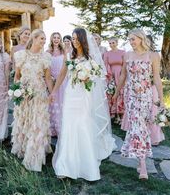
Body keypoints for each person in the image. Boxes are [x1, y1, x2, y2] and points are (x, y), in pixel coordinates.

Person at [50, 28, 115, 181]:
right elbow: (62, 74)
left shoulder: (90, 56)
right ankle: (65, 165)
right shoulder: (69, 55)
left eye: (77, 38)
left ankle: (86, 164)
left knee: (82, 125)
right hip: (70, 95)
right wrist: (53, 91)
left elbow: (98, 75)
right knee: (69, 126)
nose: (74, 41)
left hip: (84, 96)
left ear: (83, 40)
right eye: (73, 38)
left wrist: (88, 78)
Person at [113, 29, 164, 180]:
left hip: (146, 96)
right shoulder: (127, 55)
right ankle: (142, 165)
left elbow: (156, 77)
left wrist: (161, 98)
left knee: (142, 127)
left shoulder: (153, 55)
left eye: (133, 39)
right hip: (131, 97)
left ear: (141, 39)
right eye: (129, 40)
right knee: (138, 127)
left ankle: (138, 155)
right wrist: (116, 93)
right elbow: (123, 75)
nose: (131, 42)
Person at [11, 29, 53, 172]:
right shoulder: (21, 55)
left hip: (39, 94)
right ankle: (22, 150)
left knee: (37, 124)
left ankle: (34, 156)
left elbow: (47, 78)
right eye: (41, 38)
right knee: (25, 121)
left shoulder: (46, 57)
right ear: (34, 39)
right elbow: (17, 76)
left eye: (45, 39)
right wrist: (17, 90)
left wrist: (52, 93)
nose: (44, 41)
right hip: (24, 95)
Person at [47, 32, 66, 137]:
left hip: (62, 81)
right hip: (52, 81)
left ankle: (62, 128)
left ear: (60, 40)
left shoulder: (64, 51)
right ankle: (53, 129)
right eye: (54, 37)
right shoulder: (48, 52)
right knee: (53, 103)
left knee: (62, 102)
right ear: (51, 39)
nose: (56, 39)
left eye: (58, 38)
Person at [103, 37, 125, 122]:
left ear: (117, 42)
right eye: (110, 43)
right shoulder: (107, 54)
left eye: (113, 43)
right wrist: (109, 76)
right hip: (111, 75)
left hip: (121, 74)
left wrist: (123, 74)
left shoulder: (122, 52)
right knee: (112, 93)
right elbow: (105, 64)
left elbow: (125, 64)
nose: (111, 45)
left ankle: (122, 114)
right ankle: (115, 114)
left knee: (121, 92)